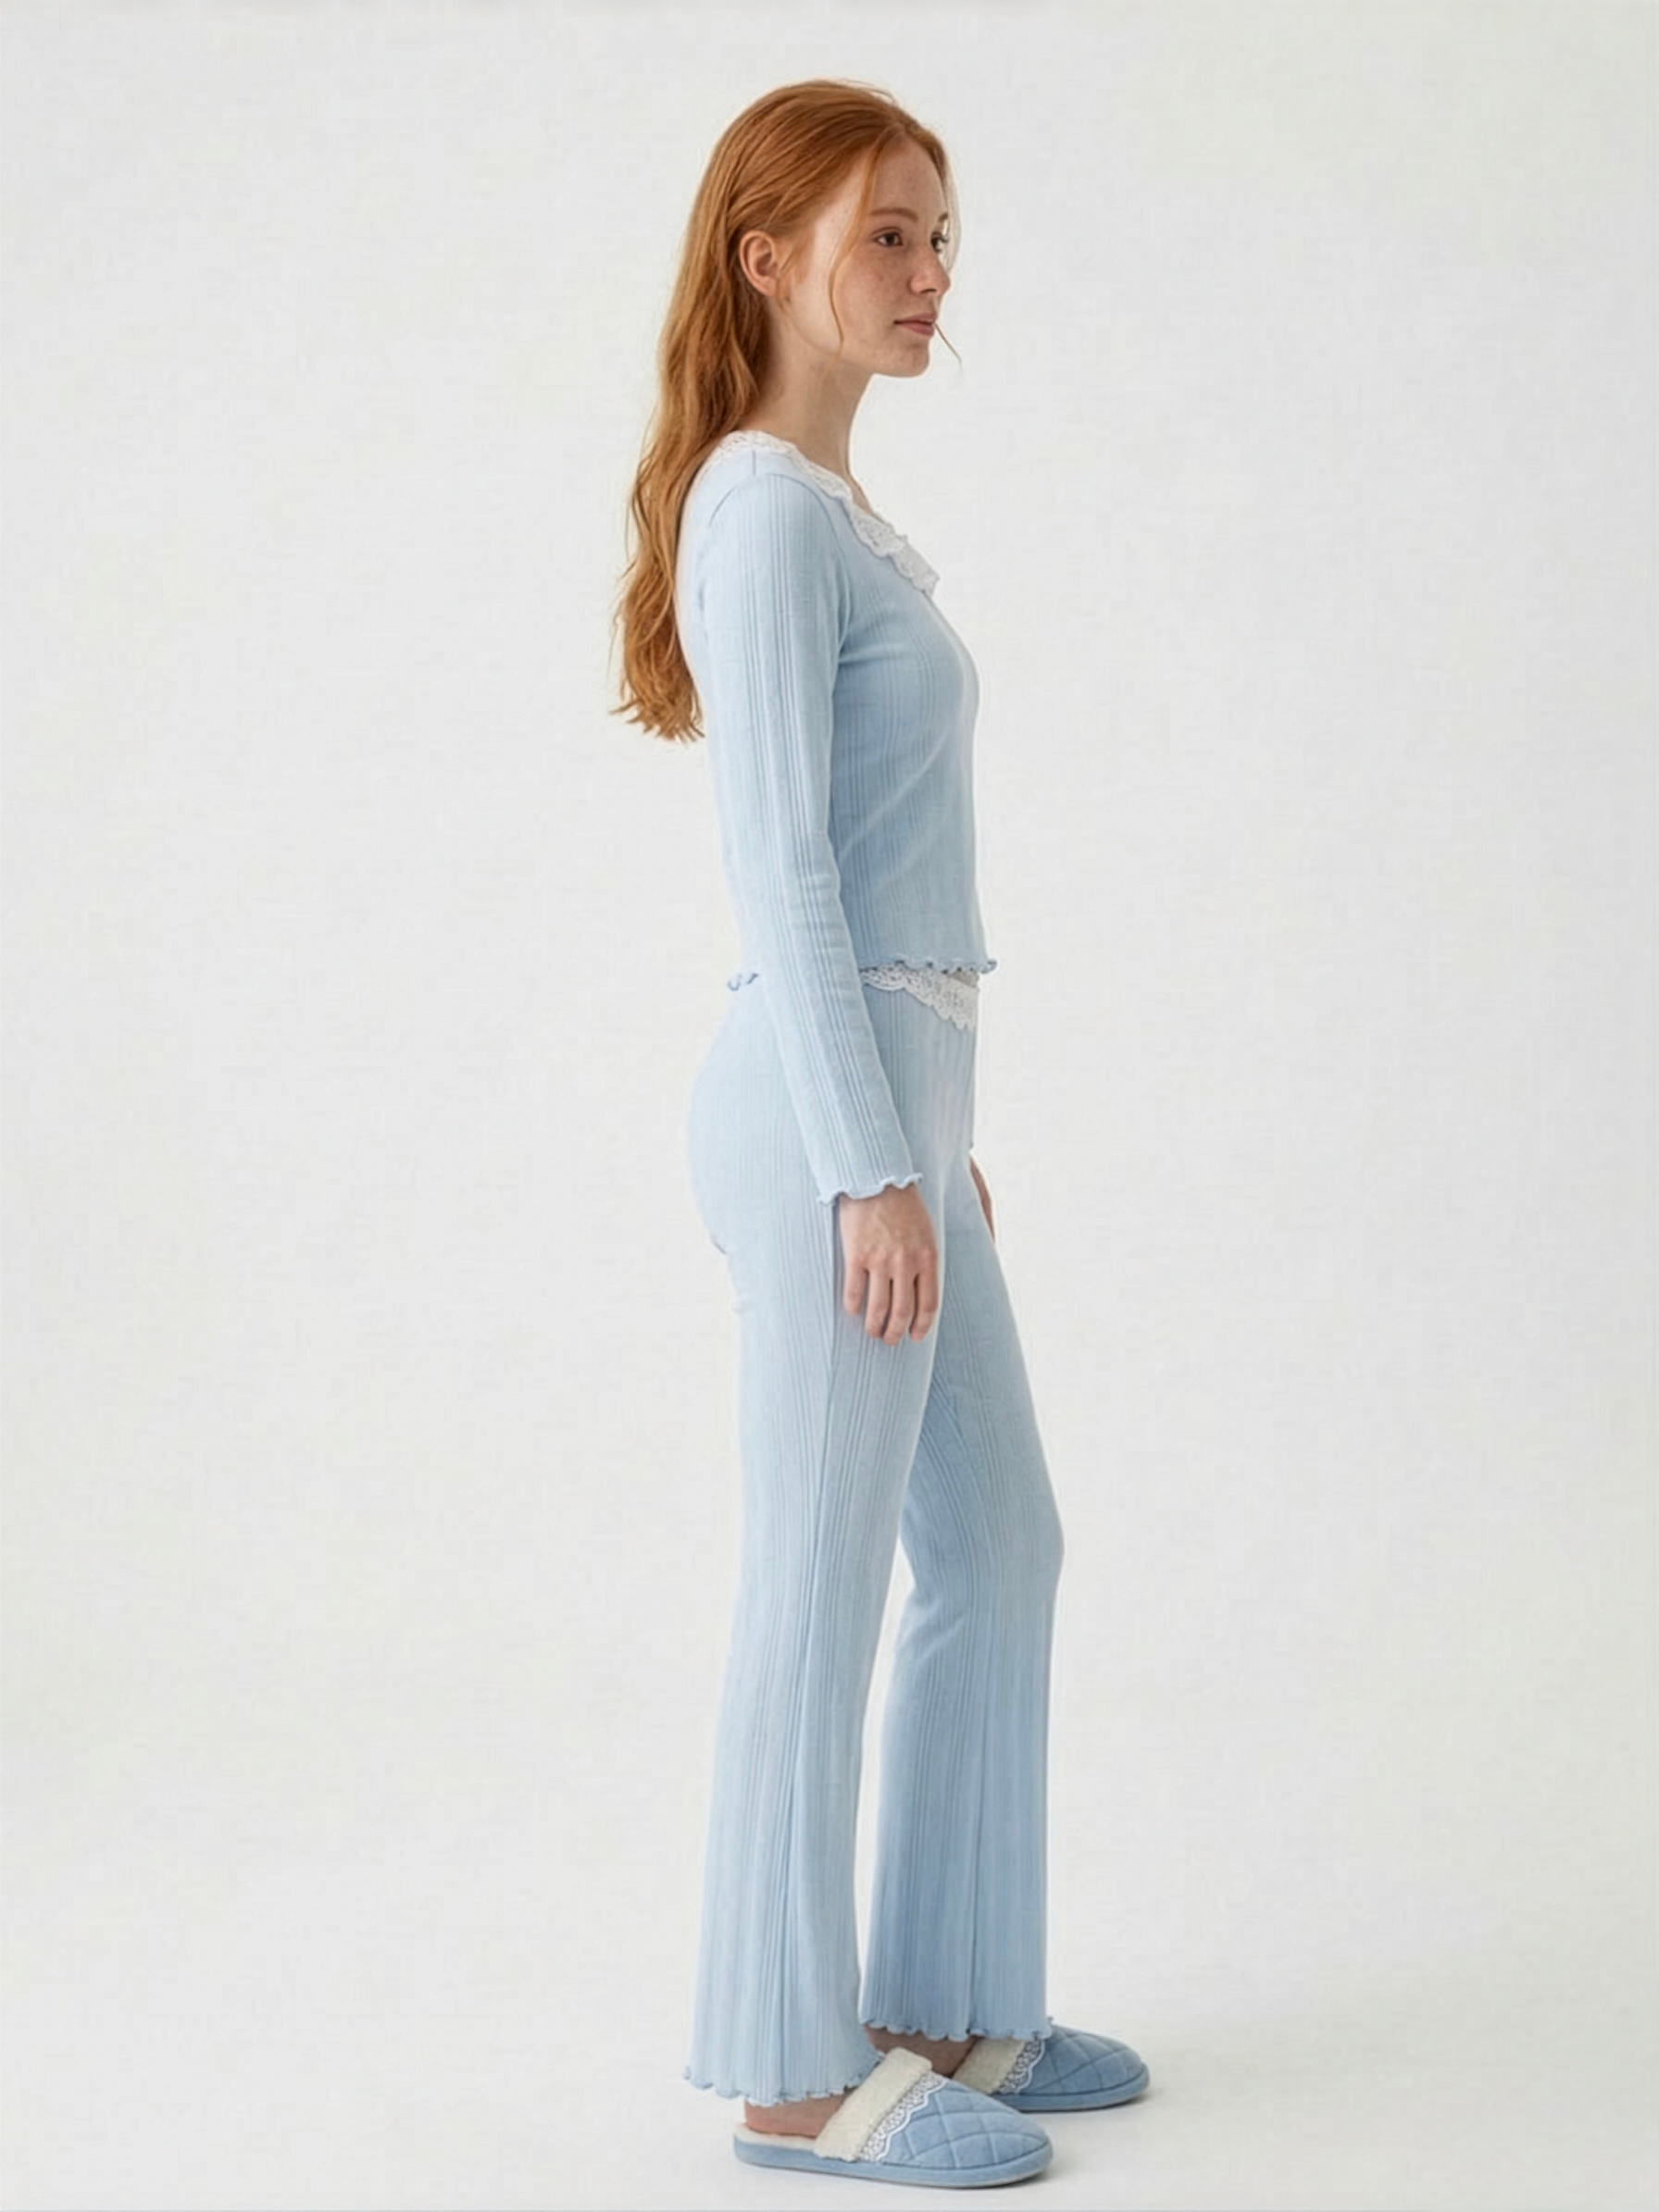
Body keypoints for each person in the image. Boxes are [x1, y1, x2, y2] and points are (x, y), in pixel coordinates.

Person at [611, 79, 1149, 2188]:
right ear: (770, 260)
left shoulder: (834, 516)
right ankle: (784, 2063)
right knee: (818, 1582)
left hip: (901, 1113)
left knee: (997, 1543)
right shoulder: (755, 509)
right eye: (890, 237)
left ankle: (947, 1999)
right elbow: (783, 867)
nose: (931, 277)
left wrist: (935, 1139)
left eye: (942, 240)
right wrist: (862, 1156)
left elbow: (889, 872)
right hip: (820, 1119)